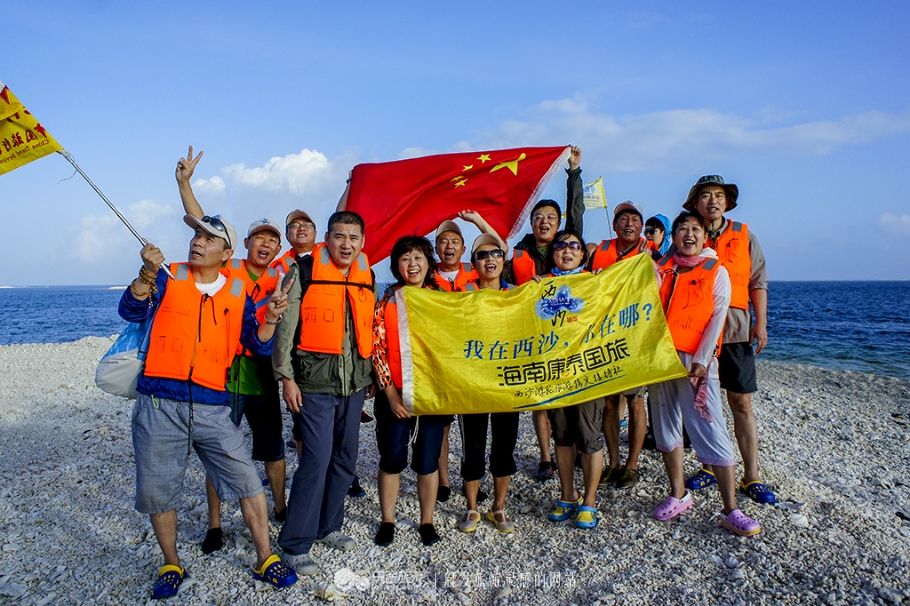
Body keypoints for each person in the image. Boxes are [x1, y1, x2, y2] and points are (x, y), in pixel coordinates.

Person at [118, 214, 297, 599]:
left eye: (209, 238)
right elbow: (131, 311)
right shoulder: (167, 276)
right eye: (197, 234)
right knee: (160, 490)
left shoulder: (237, 292)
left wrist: (271, 318)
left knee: (249, 483)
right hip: (159, 401)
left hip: (213, 405)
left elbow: (257, 342)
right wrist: (146, 275)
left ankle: (265, 557)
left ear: (227, 253)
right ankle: (171, 562)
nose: (198, 241)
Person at [174, 148, 289, 552]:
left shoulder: (282, 276)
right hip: (223, 375)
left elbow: (323, 242)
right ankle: (215, 524)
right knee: (217, 452)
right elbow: (202, 223)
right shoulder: (228, 268)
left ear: (278, 249)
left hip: (260, 375)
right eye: (261, 238)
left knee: (273, 448)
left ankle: (280, 507)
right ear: (245, 244)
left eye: (273, 240)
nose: (267, 244)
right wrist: (185, 184)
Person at [273, 211, 376, 574]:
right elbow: (286, 330)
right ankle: (295, 543)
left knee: (346, 458)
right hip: (314, 383)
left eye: (353, 238)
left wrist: (373, 376)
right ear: (327, 238)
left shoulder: (367, 275)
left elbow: (369, 326)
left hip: (355, 384)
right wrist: (286, 378)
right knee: (315, 460)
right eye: (339, 237)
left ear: (362, 241)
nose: (346, 244)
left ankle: (328, 526)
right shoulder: (303, 271)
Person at [650, 211, 761, 536]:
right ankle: (678, 493)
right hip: (661, 359)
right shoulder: (661, 269)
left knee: (711, 427)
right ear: (673, 235)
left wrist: (702, 359)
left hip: (696, 362)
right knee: (666, 426)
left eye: (695, 229)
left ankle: (731, 508)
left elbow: (717, 317)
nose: (688, 234)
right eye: (682, 228)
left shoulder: (716, 270)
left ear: (704, 236)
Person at [682, 176, 776, 505]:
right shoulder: (687, 234)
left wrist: (760, 324)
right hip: (697, 332)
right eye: (705, 195)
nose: (712, 201)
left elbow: (757, 281)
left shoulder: (744, 235)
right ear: (694, 202)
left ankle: (751, 474)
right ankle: (709, 466)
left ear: (727, 202)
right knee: (702, 405)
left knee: (741, 402)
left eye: (718, 196)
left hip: (735, 330)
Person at [504, 145, 584, 482]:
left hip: (568, 334)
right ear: (532, 223)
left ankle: (575, 449)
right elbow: (504, 289)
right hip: (533, 336)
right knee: (540, 401)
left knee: (574, 395)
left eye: (551, 218)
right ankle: (546, 456)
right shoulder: (518, 252)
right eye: (539, 218)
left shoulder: (567, 247)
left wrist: (574, 173)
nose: (545, 222)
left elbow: (575, 213)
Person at [370, 236, 451, 547]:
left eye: (418, 257)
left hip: (432, 396)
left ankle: (426, 520)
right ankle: (387, 519)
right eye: (405, 259)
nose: (412, 264)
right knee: (391, 458)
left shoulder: (443, 301)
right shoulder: (387, 301)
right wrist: (389, 395)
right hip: (394, 394)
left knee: (428, 461)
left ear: (428, 263)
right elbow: (377, 349)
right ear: (397, 266)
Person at [431, 213, 505, 503]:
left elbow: (499, 251)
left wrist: (478, 222)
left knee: (469, 428)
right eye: (443, 241)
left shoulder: (474, 275)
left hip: (473, 364)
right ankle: (444, 481)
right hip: (440, 360)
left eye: (455, 241)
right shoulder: (428, 277)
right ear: (436, 247)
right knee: (443, 424)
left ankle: (470, 480)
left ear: (463, 250)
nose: (449, 246)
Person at [539, 229, 605, 530]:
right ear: (553, 253)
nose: (567, 251)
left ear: (583, 254)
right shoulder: (541, 286)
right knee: (562, 438)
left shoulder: (595, 283)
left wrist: (604, 282)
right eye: (561, 246)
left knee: (589, 439)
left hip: (587, 373)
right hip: (555, 374)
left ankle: (590, 500)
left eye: (574, 246)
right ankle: (567, 494)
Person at [457, 234, 520, 534]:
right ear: (475, 263)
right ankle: (472, 506)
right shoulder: (463, 296)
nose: (490, 260)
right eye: (483, 256)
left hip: (507, 382)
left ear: (503, 260)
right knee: (473, 446)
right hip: (474, 382)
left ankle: (499, 506)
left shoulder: (518, 294)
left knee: (505, 445)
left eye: (495, 254)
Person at [587, 201, 652, 490]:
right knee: (610, 402)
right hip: (605, 337)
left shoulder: (651, 253)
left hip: (636, 335)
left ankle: (633, 464)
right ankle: (613, 462)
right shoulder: (600, 251)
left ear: (641, 226)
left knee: (636, 401)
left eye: (635, 219)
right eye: (623, 219)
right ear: (614, 226)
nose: (629, 223)